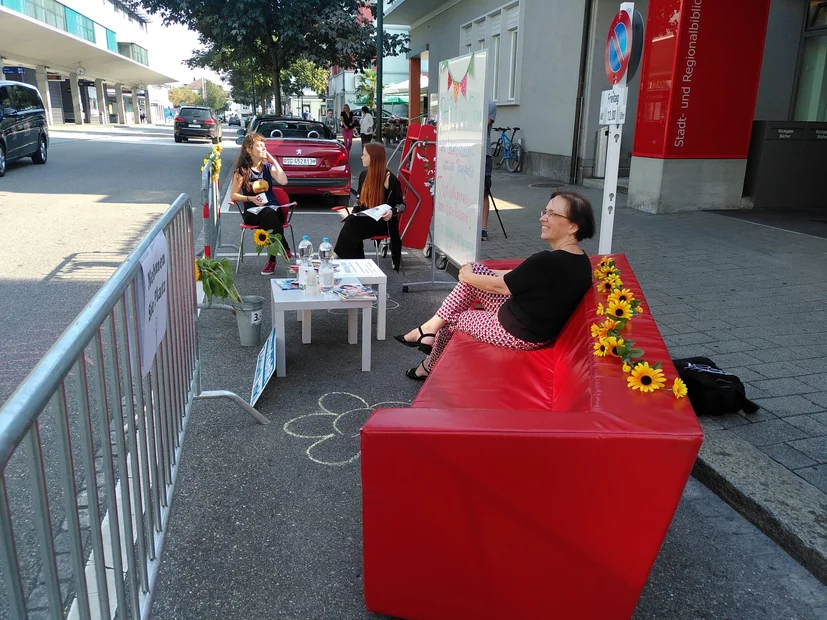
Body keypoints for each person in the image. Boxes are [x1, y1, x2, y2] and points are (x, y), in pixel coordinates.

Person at [395, 191, 595, 380]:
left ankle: (427, 363)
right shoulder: (581, 262)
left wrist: (467, 276)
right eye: (545, 211)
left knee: (454, 319)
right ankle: (428, 330)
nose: (542, 218)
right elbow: (517, 276)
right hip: (525, 323)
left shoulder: (548, 261)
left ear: (573, 226)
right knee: (477, 273)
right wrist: (474, 273)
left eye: (552, 214)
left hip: (516, 333)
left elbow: (501, 287)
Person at [332, 142, 405, 270]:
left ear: (374, 157)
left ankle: (337, 257)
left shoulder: (389, 178)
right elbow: (360, 200)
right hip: (365, 217)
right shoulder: (363, 175)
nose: (361, 157)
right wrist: (355, 211)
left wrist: (392, 212)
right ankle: (356, 265)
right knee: (353, 225)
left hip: (382, 222)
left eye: (364, 155)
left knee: (352, 225)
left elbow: (402, 205)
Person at [230, 133, 292, 276]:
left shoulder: (268, 167)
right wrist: (250, 199)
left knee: (270, 215)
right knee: (267, 215)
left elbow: (283, 181)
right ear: (248, 149)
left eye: (265, 146)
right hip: (253, 211)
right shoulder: (242, 171)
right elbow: (234, 195)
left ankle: (272, 260)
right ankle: (284, 248)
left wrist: (274, 161)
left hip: (273, 209)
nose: (264, 148)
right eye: (259, 145)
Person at [481, 99, 497, 241]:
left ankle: (483, 228)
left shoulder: (490, 105)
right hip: (467, 151)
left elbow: (481, 126)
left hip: (483, 154)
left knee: (484, 192)